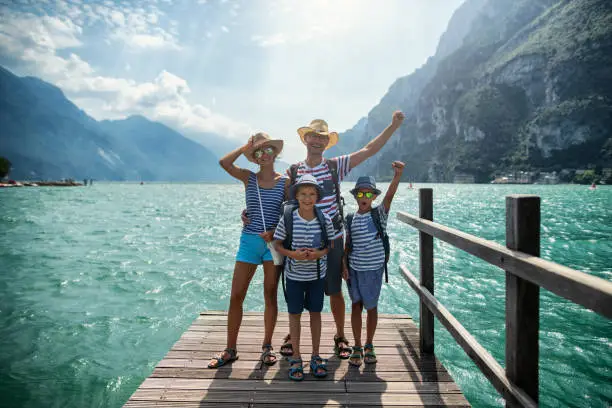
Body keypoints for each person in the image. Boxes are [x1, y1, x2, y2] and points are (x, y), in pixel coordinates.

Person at [263, 110, 405, 359]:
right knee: (296, 285)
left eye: (322, 138)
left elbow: (370, 149)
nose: (317, 141)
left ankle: (340, 335)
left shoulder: (335, 166)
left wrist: (393, 126)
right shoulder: (293, 171)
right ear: (305, 139)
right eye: (313, 136)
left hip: (333, 237)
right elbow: (274, 195)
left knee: (334, 289)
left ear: (326, 143)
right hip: (299, 238)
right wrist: (250, 214)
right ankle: (291, 335)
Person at [208, 132, 288, 369]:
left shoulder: (285, 181)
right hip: (249, 242)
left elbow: (290, 213)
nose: (264, 154)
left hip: (273, 246)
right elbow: (224, 163)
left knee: (270, 296)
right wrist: (245, 146)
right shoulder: (248, 178)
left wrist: (275, 231)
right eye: (259, 151)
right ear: (254, 157)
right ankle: (230, 349)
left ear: (276, 153)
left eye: (268, 150)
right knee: (236, 296)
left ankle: (267, 347)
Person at [273, 174, 335, 380]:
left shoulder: (324, 218)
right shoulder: (288, 218)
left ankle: (316, 355)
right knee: (294, 316)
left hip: (317, 275)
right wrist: (293, 254)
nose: (307, 198)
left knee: (316, 314)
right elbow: (277, 244)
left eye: (311, 194)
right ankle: (297, 357)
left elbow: (330, 245)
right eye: (303, 194)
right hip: (294, 277)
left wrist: (319, 254)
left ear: (317, 197)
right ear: (296, 197)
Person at [343, 161, 404, 366]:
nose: (364, 197)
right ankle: (357, 345)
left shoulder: (379, 215)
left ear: (374, 197)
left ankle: (369, 344)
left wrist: (397, 176)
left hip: (374, 269)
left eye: (369, 194)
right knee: (355, 305)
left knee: (371, 306)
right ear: (355, 196)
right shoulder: (350, 218)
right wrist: (344, 265)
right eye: (360, 194)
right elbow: (347, 244)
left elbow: (390, 196)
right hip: (354, 269)